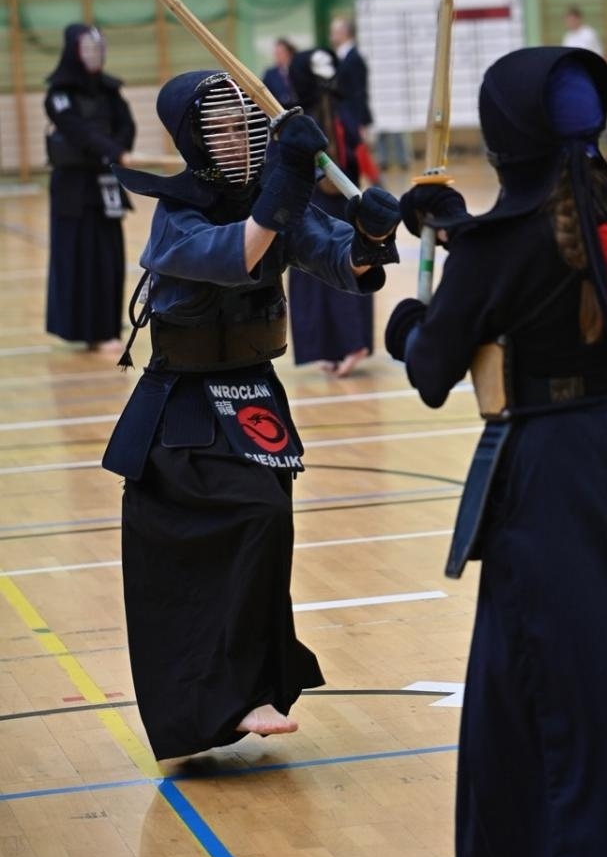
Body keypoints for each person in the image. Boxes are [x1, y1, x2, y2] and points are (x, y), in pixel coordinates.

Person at [385, 46, 607, 857]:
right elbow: (546, 263)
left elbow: (430, 369)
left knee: (552, 679)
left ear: (505, 139)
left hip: (559, 476)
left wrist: (413, 316)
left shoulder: (498, 252)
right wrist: (463, 232)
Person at [101, 70, 400, 760]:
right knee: (250, 519)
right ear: (195, 140)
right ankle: (217, 697)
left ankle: (251, 691)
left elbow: (335, 259)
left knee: (270, 528)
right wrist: (287, 181)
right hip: (184, 410)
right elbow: (238, 253)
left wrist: (368, 239)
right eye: (225, 130)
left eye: (247, 127)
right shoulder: (178, 215)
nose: (240, 139)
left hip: (253, 395)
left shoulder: (273, 198)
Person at [44, 23, 136, 351]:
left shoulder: (110, 92)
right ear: (74, 52)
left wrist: (117, 151)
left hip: (106, 183)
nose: (95, 55)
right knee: (78, 257)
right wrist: (112, 151)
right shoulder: (59, 95)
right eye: (88, 49)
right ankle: (86, 330)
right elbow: (77, 132)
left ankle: (107, 327)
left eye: (99, 49)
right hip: (73, 189)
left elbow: (126, 125)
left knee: (108, 256)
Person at [288, 48, 379, 377]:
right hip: (319, 203)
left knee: (339, 266)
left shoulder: (327, 114)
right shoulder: (308, 115)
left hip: (333, 203)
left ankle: (350, 343)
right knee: (325, 271)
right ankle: (331, 347)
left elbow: (354, 151)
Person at [329, 15, 384, 180]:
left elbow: (359, 92)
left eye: (335, 32)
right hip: (344, 116)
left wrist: (359, 121)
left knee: (361, 156)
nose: (332, 36)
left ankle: (377, 186)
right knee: (351, 157)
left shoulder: (354, 59)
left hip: (352, 117)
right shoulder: (341, 57)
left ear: (345, 33)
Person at [262, 37, 297, 108]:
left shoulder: (298, 70)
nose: (277, 56)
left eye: (280, 53)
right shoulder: (269, 74)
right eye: (276, 53)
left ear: (289, 53)